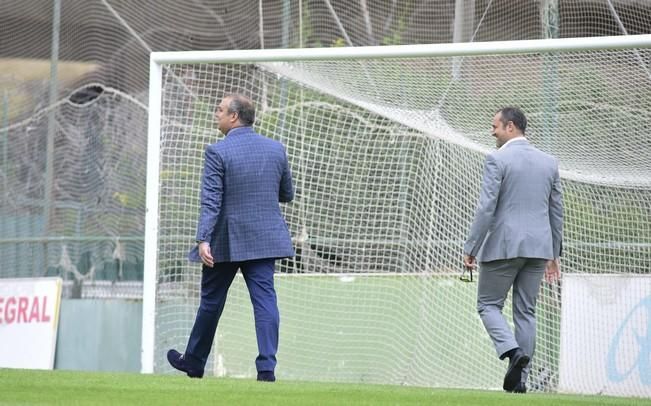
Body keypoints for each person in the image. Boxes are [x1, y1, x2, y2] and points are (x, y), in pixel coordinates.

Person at [167, 93, 295, 382]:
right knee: (265, 302)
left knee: (211, 302)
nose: (216, 113)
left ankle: (195, 362)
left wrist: (203, 239)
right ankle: (266, 369)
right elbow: (287, 194)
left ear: (234, 117)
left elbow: (211, 201)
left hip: (226, 240)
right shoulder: (276, 149)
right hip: (264, 239)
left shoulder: (217, 152)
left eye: (220, 109)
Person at [463, 107, 563, 394]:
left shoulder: (497, 159)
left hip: (503, 247)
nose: (492, 131)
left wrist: (471, 247)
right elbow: (557, 212)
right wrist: (554, 254)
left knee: (487, 305)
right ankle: (521, 380)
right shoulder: (549, 162)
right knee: (526, 312)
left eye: (494, 126)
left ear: (510, 127)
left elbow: (486, 209)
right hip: (539, 249)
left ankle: (511, 351)